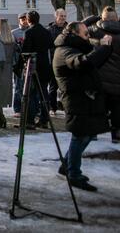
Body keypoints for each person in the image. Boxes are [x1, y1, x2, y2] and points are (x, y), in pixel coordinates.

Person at [53, 22, 113, 191]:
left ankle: (67, 165)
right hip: (77, 99)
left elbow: (91, 62)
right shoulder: (66, 51)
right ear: (75, 34)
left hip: (84, 98)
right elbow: (83, 63)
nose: (88, 37)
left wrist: (103, 49)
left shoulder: (73, 46)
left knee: (86, 134)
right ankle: (73, 174)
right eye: (85, 34)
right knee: (80, 136)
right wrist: (103, 48)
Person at [87, 7, 120, 143]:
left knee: (98, 106)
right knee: (118, 108)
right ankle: (117, 134)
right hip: (118, 79)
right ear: (116, 18)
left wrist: (93, 18)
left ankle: (94, 132)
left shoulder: (95, 31)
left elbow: (78, 28)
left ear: (103, 18)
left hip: (99, 77)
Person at [22, 10, 54, 129]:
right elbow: (51, 45)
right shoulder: (46, 31)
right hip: (45, 64)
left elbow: (26, 50)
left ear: (28, 20)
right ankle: (44, 119)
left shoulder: (29, 32)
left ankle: (30, 120)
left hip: (33, 65)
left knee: (30, 93)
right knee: (44, 93)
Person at [47, 8, 68, 113]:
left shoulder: (69, 28)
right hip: (54, 61)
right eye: (61, 16)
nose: (63, 18)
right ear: (56, 17)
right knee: (53, 86)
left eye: (64, 16)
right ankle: (52, 107)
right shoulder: (50, 29)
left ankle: (66, 106)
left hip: (67, 61)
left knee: (66, 86)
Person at [12, 12, 30, 114]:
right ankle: (17, 108)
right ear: (19, 20)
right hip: (18, 64)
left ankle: (29, 108)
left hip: (29, 63)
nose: (25, 21)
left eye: (26, 19)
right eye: (22, 19)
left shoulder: (31, 31)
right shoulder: (14, 33)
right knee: (18, 87)